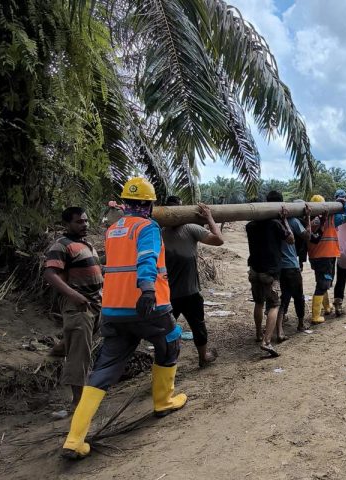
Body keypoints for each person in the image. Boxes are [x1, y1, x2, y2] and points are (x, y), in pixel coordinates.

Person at [62, 178, 185, 460]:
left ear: (126, 204)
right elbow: (146, 258)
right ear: (150, 204)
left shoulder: (113, 229)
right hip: (147, 307)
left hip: (114, 310)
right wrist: (148, 290)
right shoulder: (148, 227)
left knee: (105, 369)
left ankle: (74, 438)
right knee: (170, 343)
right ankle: (163, 402)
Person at [44, 207, 103, 412]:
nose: (84, 224)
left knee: (81, 340)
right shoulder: (61, 246)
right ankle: (77, 403)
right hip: (78, 304)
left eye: (85, 221)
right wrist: (74, 295)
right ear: (67, 224)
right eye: (79, 222)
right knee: (80, 353)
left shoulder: (86, 244)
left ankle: (57, 351)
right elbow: (50, 274)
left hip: (95, 303)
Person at [161, 196, 224, 368]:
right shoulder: (189, 228)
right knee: (198, 327)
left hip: (167, 294)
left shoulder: (159, 232)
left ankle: (165, 362)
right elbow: (219, 240)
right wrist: (209, 217)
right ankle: (203, 358)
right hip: (188, 292)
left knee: (166, 330)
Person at [246, 205, 294, 357]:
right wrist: (285, 220)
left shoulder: (249, 226)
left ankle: (259, 333)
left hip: (254, 270)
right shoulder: (274, 224)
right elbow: (291, 239)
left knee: (258, 302)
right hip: (270, 272)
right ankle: (266, 341)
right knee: (274, 305)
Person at [307, 194, 346, 324]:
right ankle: (316, 316)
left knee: (321, 281)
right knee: (323, 284)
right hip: (327, 255)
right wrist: (344, 203)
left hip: (314, 256)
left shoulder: (307, 219)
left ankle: (327, 307)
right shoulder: (332, 218)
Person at [270, 192, 311, 335]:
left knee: (284, 297)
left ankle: (280, 329)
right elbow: (307, 236)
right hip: (291, 266)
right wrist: (308, 217)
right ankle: (300, 324)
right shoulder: (291, 221)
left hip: (276, 267)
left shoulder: (268, 220)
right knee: (298, 296)